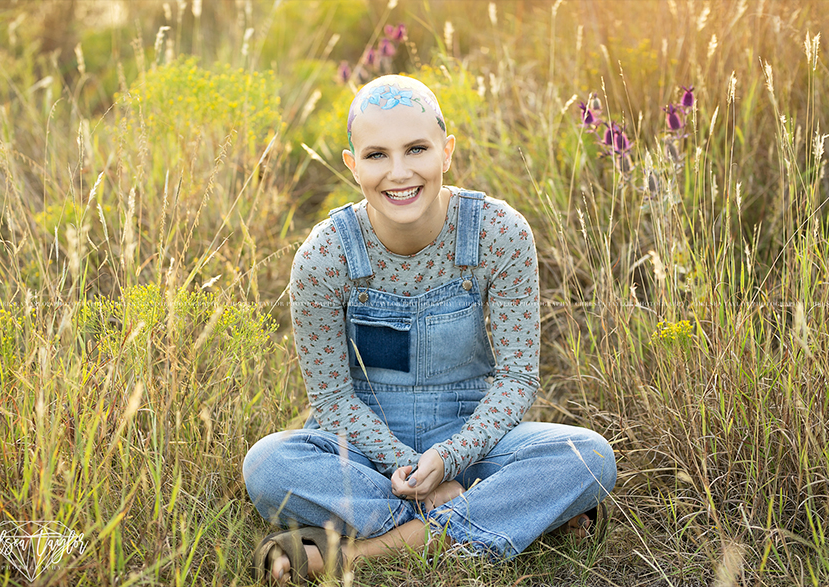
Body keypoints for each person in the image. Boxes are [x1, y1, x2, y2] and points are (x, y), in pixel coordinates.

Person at [242, 74, 616, 585]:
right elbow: (331, 399)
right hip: (367, 449)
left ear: (446, 152)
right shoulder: (324, 255)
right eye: (377, 155)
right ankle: (488, 515)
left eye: (416, 149)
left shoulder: (499, 232)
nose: (399, 173)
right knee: (268, 464)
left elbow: (517, 379)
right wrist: (411, 469)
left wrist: (450, 457)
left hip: (473, 435)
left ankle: (364, 552)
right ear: (353, 165)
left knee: (588, 456)